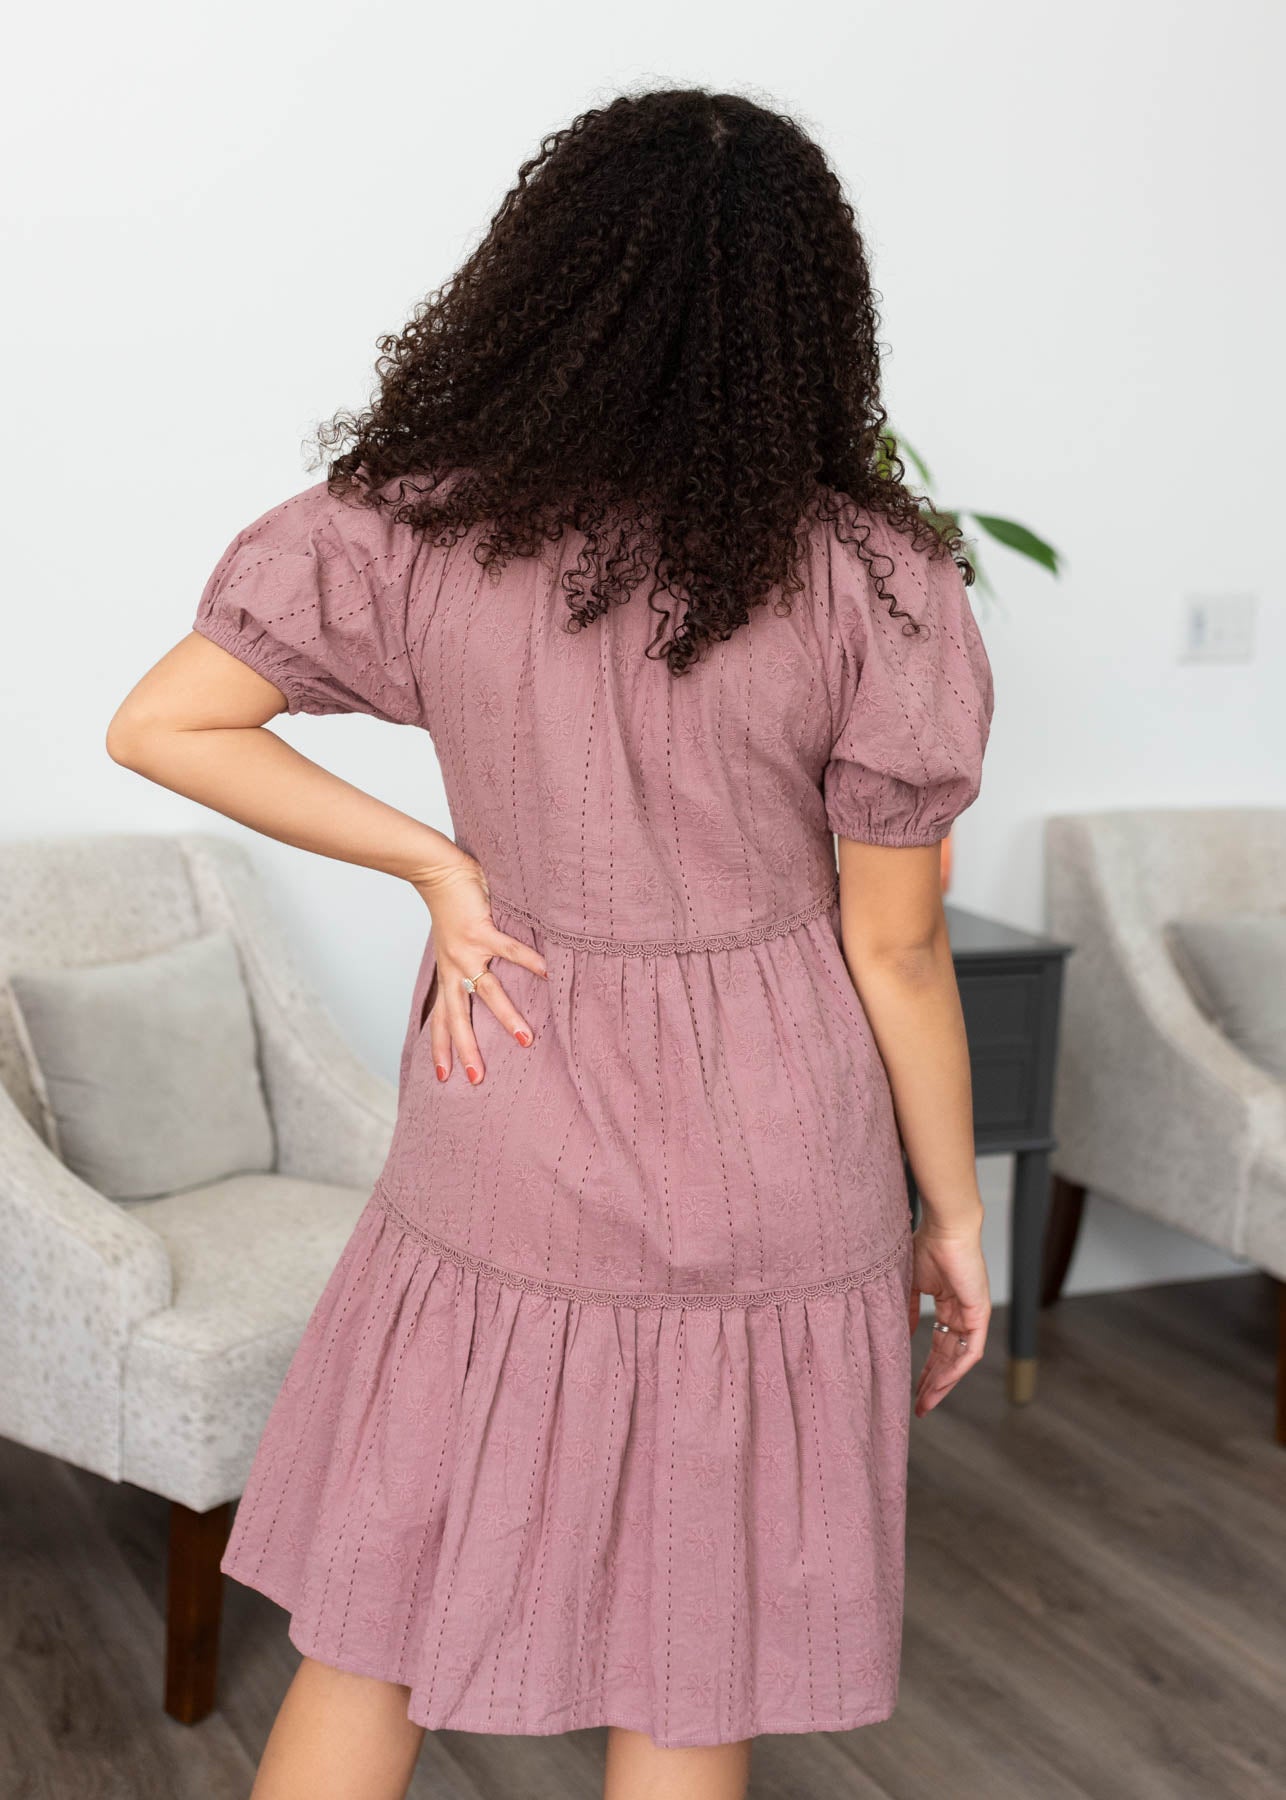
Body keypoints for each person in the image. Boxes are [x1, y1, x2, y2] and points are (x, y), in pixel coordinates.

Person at [107, 85, 994, 1800]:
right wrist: (951, 1214)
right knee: (693, 1652)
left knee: (373, 1625)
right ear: (814, 312)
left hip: (508, 1077)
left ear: (544, 280)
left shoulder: (423, 526)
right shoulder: (876, 579)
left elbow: (163, 724)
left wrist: (440, 868)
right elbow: (897, 948)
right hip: (777, 1135)